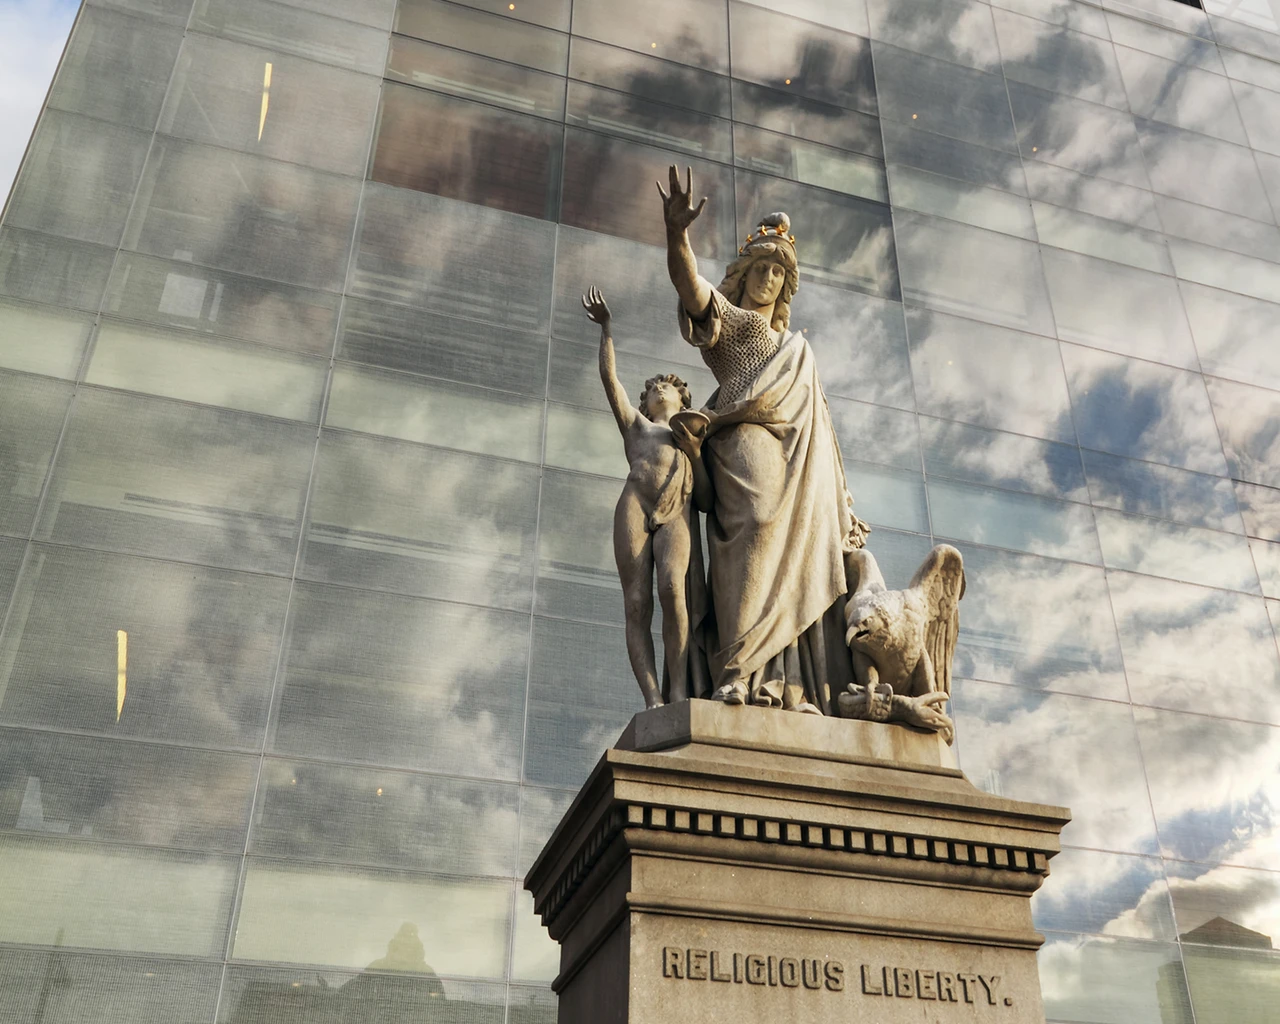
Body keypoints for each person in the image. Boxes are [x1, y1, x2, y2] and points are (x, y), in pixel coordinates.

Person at [657, 165, 868, 714]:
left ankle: (786, 685)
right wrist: (678, 235)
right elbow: (692, 288)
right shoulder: (735, 328)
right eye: (762, 265)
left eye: (779, 270)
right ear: (745, 272)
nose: (769, 277)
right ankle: (737, 671)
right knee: (750, 539)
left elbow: (825, 433)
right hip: (743, 463)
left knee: (802, 560)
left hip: (802, 472)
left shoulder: (797, 350)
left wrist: (844, 503)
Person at [584, 286, 712, 708]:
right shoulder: (637, 425)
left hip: (676, 513)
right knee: (636, 602)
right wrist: (606, 330)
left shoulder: (691, 435)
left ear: (681, 398)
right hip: (635, 505)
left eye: (666, 387)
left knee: (673, 590)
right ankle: (653, 697)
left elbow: (708, 500)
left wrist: (694, 450)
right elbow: (610, 380)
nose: (659, 391)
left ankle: (678, 689)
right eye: (653, 387)